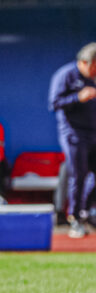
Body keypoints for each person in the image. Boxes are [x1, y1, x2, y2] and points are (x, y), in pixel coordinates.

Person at [49, 43, 96, 238]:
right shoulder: (66, 74)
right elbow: (54, 103)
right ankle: (75, 218)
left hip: (93, 132)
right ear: (85, 62)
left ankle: (87, 212)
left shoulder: (93, 79)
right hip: (73, 133)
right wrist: (78, 97)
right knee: (78, 174)